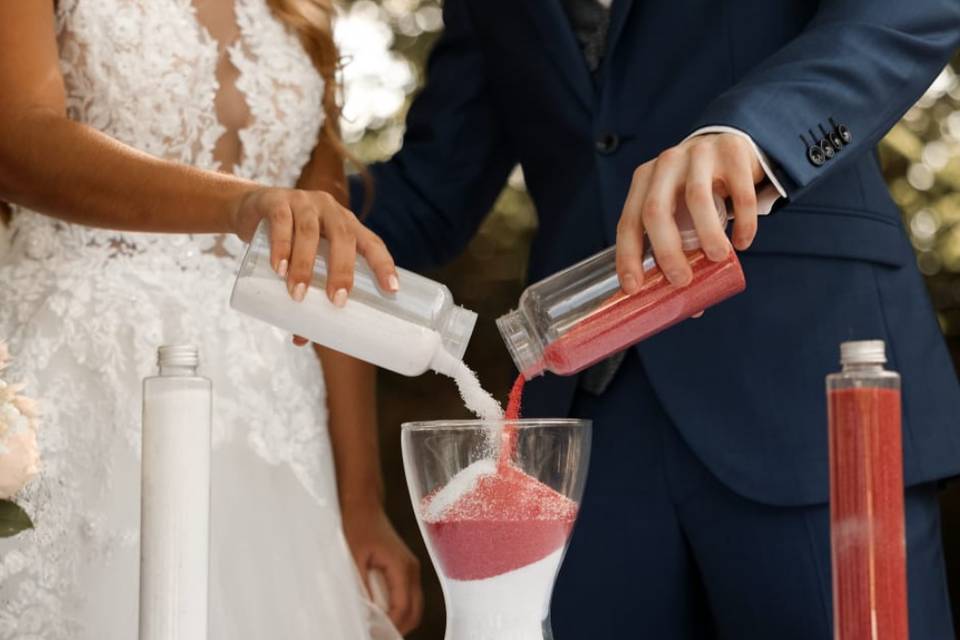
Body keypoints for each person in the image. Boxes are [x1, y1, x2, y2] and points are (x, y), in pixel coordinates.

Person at [351, 0, 960, 637]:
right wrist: (273, 213)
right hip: (585, 426)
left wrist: (759, 135)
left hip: (807, 377)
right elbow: (428, 192)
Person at [0, 1, 421, 638]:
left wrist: (363, 500)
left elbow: (328, 263)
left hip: (273, 426)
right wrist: (239, 202)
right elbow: (17, 138)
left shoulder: (306, 8)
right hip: (81, 383)